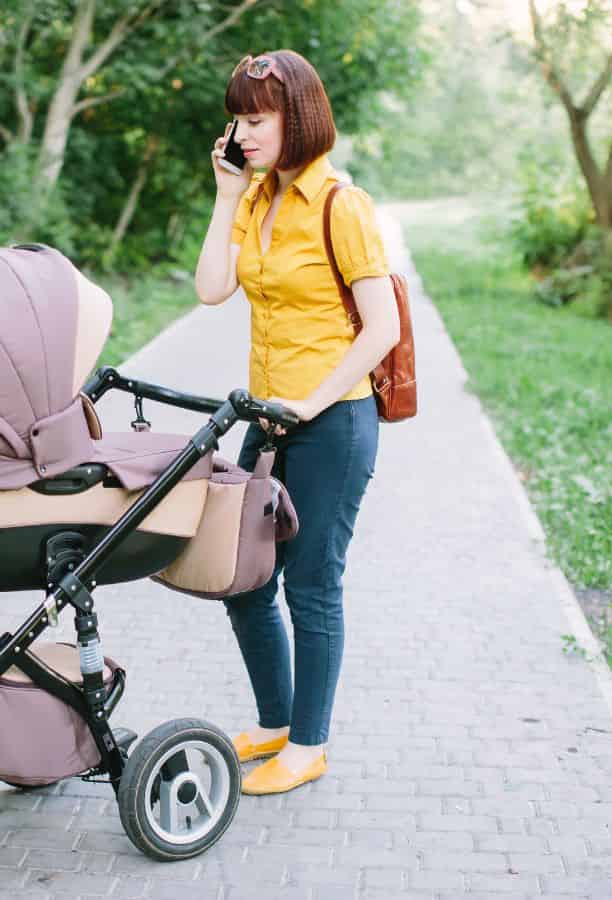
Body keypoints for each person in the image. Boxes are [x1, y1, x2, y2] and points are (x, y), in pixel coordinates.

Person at [193, 50, 401, 795]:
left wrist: (315, 400)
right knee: (244, 580)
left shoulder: (342, 205)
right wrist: (224, 196)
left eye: (257, 119)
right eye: (237, 119)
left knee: (312, 587)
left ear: (298, 118)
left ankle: (309, 745)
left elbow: (381, 326)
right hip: (270, 420)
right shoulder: (253, 199)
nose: (242, 132)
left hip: (333, 424)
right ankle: (276, 722)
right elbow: (213, 288)